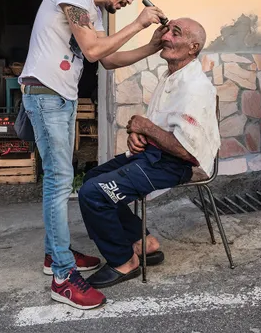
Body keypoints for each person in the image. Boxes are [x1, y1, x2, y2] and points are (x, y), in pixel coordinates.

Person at [19, 0, 166, 310]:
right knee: (58, 182)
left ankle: (56, 255)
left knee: (60, 178)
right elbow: (93, 49)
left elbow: (108, 60)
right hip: (46, 95)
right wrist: (139, 22)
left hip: (62, 98)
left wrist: (153, 44)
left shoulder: (94, 14)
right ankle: (63, 277)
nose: (130, 1)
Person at [78, 18, 220, 289]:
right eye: (167, 30)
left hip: (175, 164)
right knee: (92, 178)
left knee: (94, 194)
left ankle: (124, 261)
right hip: (154, 157)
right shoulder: (172, 77)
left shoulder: (195, 87)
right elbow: (157, 127)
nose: (165, 36)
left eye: (174, 33)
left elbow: (186, 151)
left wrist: (145, 127)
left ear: (193, 47)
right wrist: (138, 134)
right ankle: (144, 242)